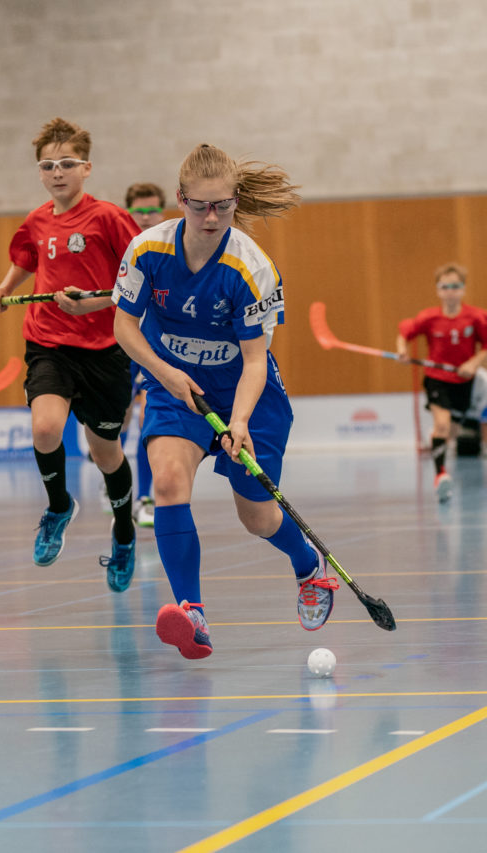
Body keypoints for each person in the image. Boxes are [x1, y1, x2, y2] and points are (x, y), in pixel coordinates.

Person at [111, 143, 335, 661]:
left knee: (255, 518)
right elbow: (124, 325)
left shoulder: (251, 267)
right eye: (200, 206)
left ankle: (308, 566)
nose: (212, 218)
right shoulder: (147, 251)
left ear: (235, 201)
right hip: (174, 387)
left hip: (248, 397)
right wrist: (166, 373)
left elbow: (257, 361)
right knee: (166, 481)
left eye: (223, 206)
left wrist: (238, 423)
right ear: (180, 199)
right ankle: (192, 612)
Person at [0, 117, 142, 592]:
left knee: (105, 452)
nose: (57, 172)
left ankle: (126, 534)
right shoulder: (37, 220)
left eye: (67, 163)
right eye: (48, 165)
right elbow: (27, 258)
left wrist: (96, 301)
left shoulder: (109, 217)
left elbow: (139, 275)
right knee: (46, 428)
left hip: (106, 349)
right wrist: (3, 289)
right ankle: (58, 507)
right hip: (49, 342)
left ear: (86, 168)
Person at [396, 263, 487, 501]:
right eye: (445, 286)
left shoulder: (476, 317)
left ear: (463, 289)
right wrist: (402, 351)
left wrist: (473, 363)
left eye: (456, 286)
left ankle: (436, 439)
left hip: (464, 382)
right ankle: (441, 475)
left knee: (450, 432)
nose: (451, 291)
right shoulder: (429, 317)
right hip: (437, 379)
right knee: (443, 426)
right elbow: (405, 332)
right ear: (438, 290)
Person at [123, 181, 168, 528]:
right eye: (139, 210)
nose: (146, 216)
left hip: (153, 344)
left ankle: (145, 497)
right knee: (120, 419)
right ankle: (115, 481)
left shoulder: (172, 246)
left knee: (144, 418)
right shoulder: (119, 244)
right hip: (118, 343)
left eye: (152, 209)